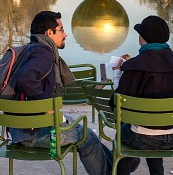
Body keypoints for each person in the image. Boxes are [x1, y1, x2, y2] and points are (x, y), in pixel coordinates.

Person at [9, 11, 112, 175]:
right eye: (61, 29)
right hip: (34, 135)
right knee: (87, 135)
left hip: (18, 130)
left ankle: (117, 170)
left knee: (83, 130)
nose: (65, 34)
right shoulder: (43, 53)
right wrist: (46, 105)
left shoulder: (28, 50)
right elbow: (25, 78)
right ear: (49, 33)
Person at [109, 15, 173, 175]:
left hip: (142, 138)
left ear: (143, 38)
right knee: (150, 125)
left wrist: (118, 74)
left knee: (130, 128)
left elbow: (116, 103)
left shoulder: (133, 67)